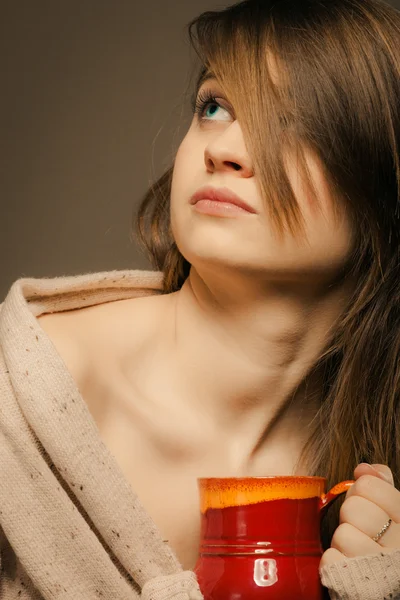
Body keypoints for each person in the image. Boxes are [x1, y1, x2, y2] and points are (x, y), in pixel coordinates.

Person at [0, 0, 399, 598]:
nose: (225, 149)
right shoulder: (20, 396)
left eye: (296, 125)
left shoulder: (374, 493)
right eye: (214, 107)